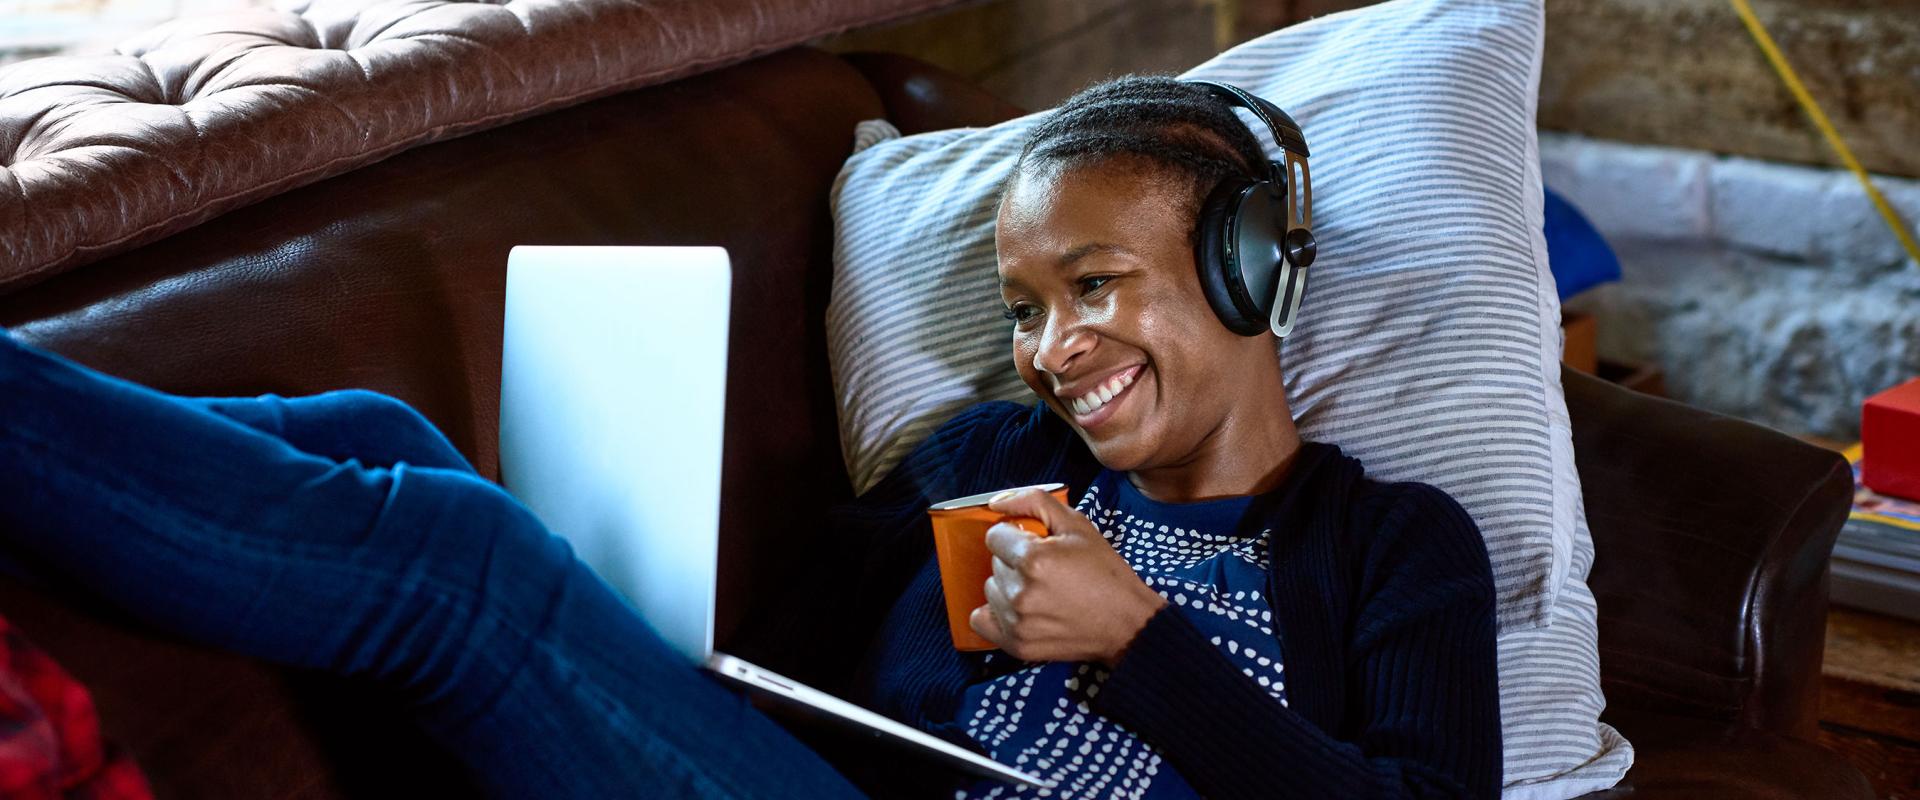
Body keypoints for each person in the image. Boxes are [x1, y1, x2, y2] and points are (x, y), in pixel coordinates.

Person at [0, 75, 1499, 799]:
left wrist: (1139, 638)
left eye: (1095, 287)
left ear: (1246, 266)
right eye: (1028, 308)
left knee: (456, 568)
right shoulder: (989, 462)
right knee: (375, 429)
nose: (1055, 351)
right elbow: (775, 664)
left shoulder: (1395, 548)